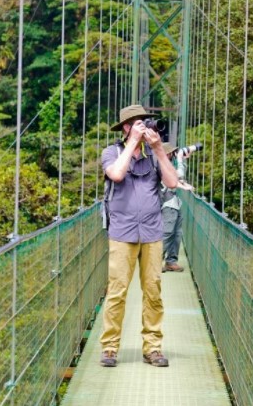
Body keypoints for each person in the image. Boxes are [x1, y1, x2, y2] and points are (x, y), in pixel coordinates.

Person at [99, 104, 179, 368]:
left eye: (146, 122)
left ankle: (153, 348)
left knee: (153, 292)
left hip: (152, 232)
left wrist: (158, 149)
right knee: (117, 292)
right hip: (122, 232)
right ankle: (110, 348)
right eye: (138, 123)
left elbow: (172, 183)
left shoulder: (154, 155)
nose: (145, 126)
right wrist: (132, 142)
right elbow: (116, 174)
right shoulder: (111, 152)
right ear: (126, 127)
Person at [160, 143, 193, 273]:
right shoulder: (161, 165)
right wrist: (180, 159)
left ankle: (171, 261)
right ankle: (156, 262)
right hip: (167, 204)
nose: (173, 155)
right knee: (167, 233)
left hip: (174, 203)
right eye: (171, 153)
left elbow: (179, 178)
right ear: (167, 153)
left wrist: (182, 161)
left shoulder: (168, 165)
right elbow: (178, 175)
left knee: (177, 233)